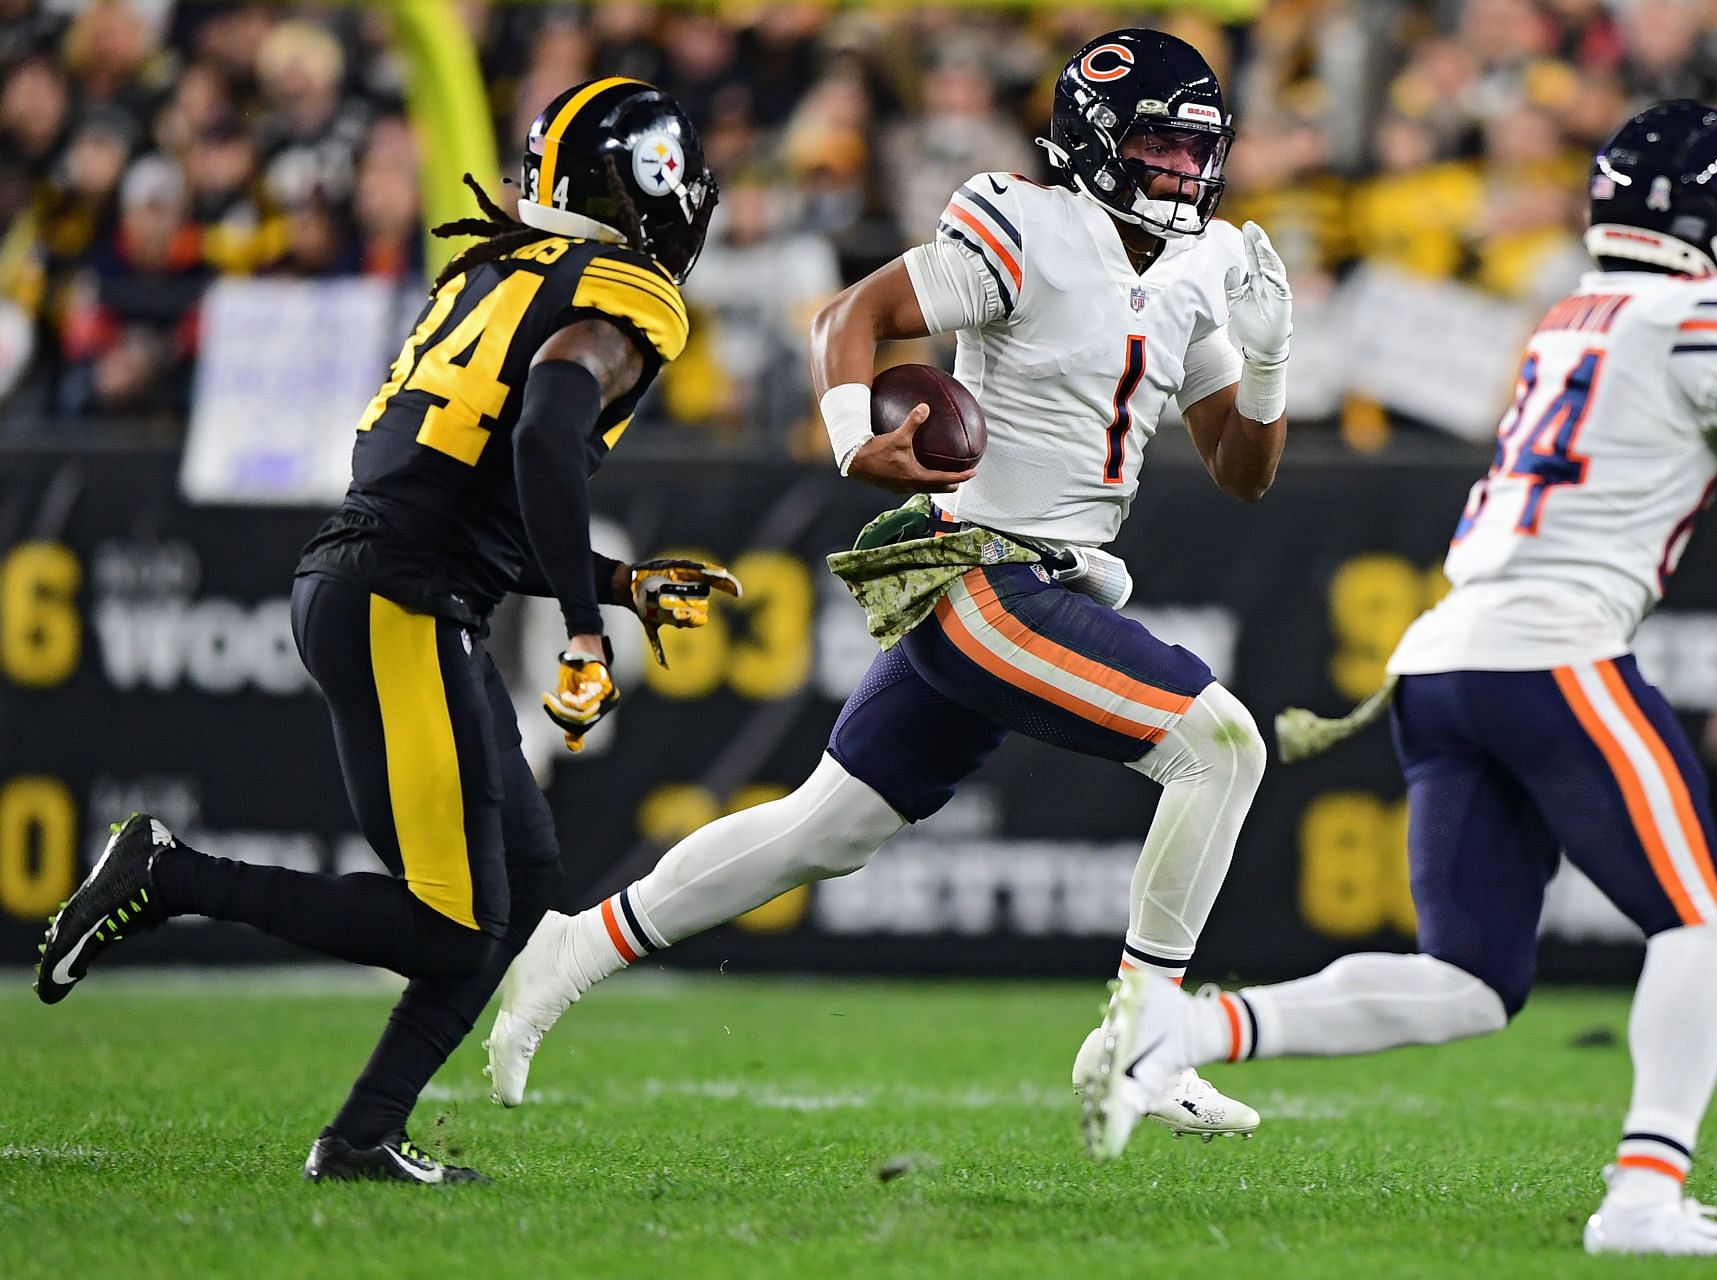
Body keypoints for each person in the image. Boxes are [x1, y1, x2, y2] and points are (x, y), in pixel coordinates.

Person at [1082, 101, 1717, 1257]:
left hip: (1445, 656)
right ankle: (1642, 1194)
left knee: (1470, 976)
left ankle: (1182, 1029)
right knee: (1707, 920)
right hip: (1551, 648)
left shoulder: (1587, 315)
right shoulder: (1704, 304)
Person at [486, 29, 1294, 1143]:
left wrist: (1267, 362)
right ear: (1097, 141)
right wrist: (850, 435)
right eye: (1158, 145)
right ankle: (1141, 1034)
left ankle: (573, 944)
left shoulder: (1194, 272)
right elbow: (850, 318)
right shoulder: (1027, 224)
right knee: (1223, 746)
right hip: (986, 576)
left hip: (1049, 583)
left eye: (1196, 150)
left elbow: (1243, 473)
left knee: (825, 828)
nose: (1182, 172)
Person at [34, 78, 734, 1184]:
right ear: (649, 188)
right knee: (454, 921)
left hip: (375, 584)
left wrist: (609, 576)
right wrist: (589, 630)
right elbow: (545, 443)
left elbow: (480, 490)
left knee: (520, 873)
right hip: (400, 602)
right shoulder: (619, 295)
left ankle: (365, 1133)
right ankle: (169, 876)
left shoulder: (499, 269)